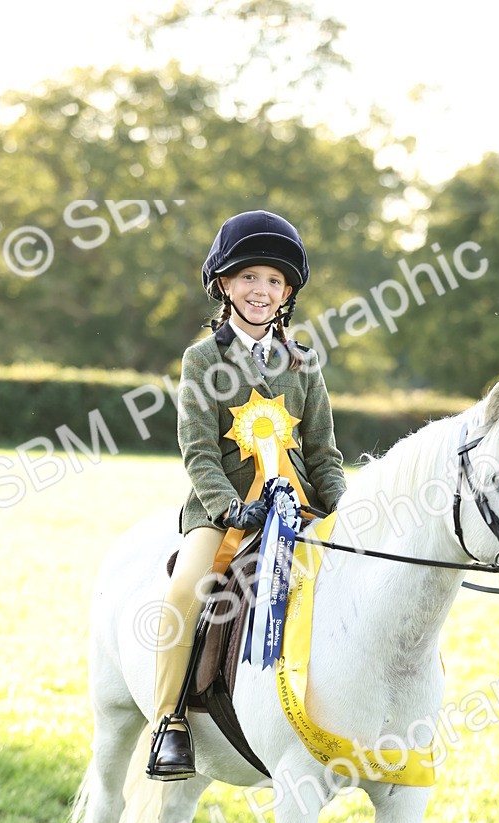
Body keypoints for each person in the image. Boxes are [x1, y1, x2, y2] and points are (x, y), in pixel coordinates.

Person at [147, 209, 347, 780]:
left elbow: (323, 454)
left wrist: (343, 508)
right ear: (225, 285)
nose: (262, 290)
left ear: (286, 294)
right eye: (250, 278)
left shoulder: (303, 363)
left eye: (275, 281)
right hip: (224, 511)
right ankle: (170, 724)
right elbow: (199, 452)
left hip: (298, 508)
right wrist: (231, 508)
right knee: (187, 588)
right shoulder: (201, 360)